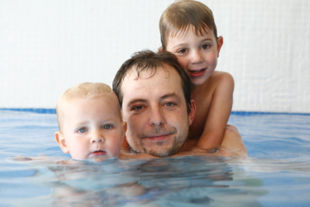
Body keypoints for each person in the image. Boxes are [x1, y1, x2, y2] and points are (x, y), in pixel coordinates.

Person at [113, 50, 247, 158]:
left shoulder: (226, 149)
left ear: (191, 112)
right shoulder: (101, 151)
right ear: (119, 120)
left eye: (169, 104)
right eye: (138, 107)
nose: (157, 120)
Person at [159, 0, 241, 152]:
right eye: (183, 51)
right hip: (172, 149)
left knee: (230, 136)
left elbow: (210, 142)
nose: (196, 58)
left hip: (200, 151)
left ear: (218, 46)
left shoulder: (222, 83)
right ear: (164, 55)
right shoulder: (158, 86)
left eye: (205, 46)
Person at [54, 82, 126, 161]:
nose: (96, 137)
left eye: (107, 126)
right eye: (82, 130)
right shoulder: (61, 170)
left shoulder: (132, 163)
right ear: (64, 143)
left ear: (122, 133)